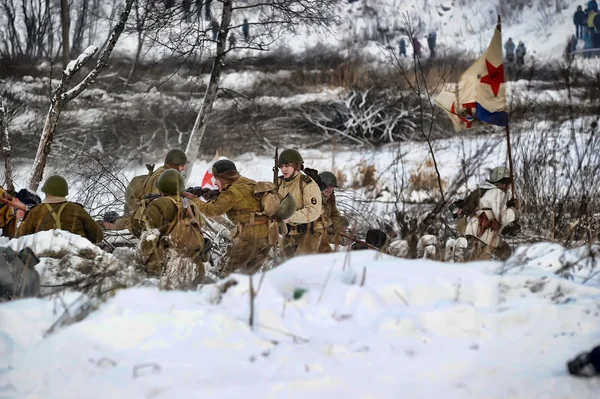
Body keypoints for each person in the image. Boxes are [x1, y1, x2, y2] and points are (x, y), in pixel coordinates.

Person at [184, 160, 274, 276]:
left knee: (221, 273)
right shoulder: (248, 182)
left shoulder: (231, 193)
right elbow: (242, 201)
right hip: (268, 235)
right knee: (249, 276)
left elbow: (211, 210)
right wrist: (211, 194)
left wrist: (193, 198)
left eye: (216, 179)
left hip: (250, 237)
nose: (215, 183)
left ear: (223, 177)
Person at [136, 169, 206, 284]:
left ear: (161, 188)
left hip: (164, 268)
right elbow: (200, 227)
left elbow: (151, 237)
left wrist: (140, 261)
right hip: (194, 266)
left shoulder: (156, 205)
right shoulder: (191, 205)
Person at [104, 148, 188, 234]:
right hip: (140, 219)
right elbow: (157, 204)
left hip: (138, 213)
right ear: (174, 164)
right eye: (182, 165)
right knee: (120, 224)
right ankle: (100, 226)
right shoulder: (160, 177)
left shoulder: (165, 173)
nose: (183, 169)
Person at [17, 175, 103, 244]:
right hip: (75, 258)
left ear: (47, 192)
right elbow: (98, 237)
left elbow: (19, 238)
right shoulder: (77, 210)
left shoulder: (36, 211)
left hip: (44, 259)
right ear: (64, 193)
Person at [463, 166, 520, 261]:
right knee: (480, 267)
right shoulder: (497, 193)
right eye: (509, 182)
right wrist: (514, 210)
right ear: (504, 182)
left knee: (506, 252)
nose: (510, 186)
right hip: (481, 237)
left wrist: (507, 206)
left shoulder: (487, 191)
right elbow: (503, 217)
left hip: (477, 234)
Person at [277, 149, 322, 258]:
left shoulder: (307, 183)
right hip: (289, 233)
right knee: (283, 267)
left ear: (297, 166)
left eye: (287, 166)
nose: (283, 169)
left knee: (302, 268)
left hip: (308, 233)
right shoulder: (280, 183)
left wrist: (290, 217)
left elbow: (313, 211)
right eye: (281, 166)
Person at [316, 171, 346, 253]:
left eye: (331, 186)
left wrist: (330, 223)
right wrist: (330, 223)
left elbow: (337, 217)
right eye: (326, 185)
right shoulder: (314, 199)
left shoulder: (330, 199)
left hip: (326, 232)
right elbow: (320, 221)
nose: (329, 189)